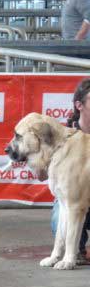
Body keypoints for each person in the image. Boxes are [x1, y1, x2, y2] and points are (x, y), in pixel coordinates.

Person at [50, 78, 90, 264]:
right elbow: (43, 174)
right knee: (61, 214)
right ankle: (76, 250)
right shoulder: (64, 137)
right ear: (79, 105)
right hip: (73, 198)